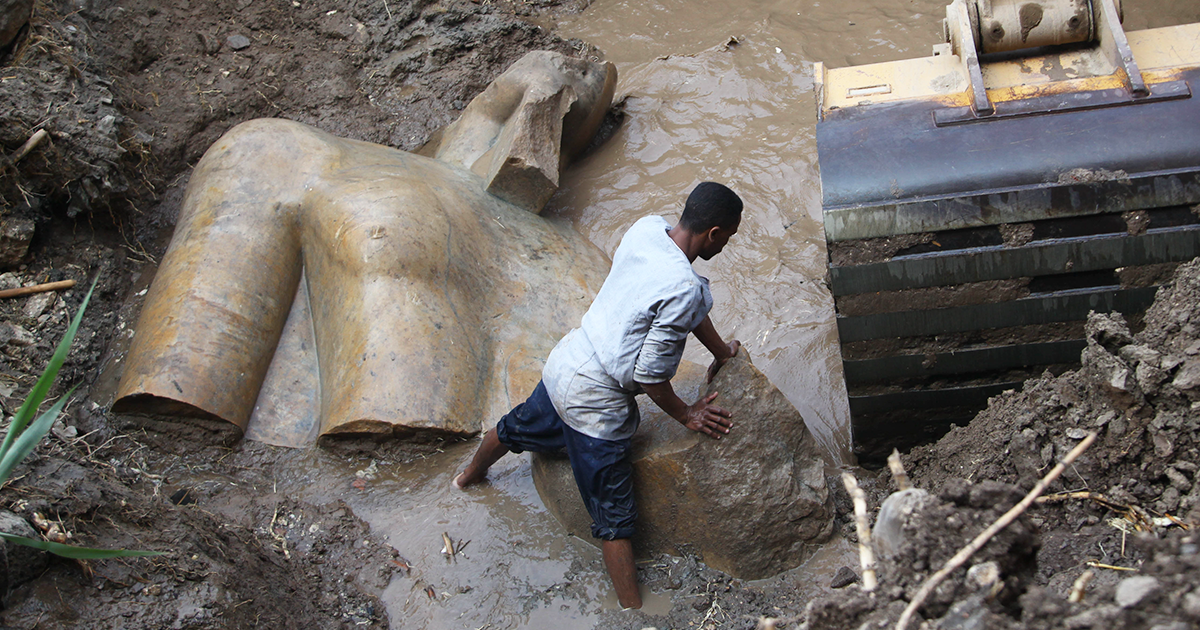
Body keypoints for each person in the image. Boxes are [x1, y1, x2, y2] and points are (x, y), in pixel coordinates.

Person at [454, 181, 744, 609]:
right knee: (615, 518)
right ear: (715, 233)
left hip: (569, 360)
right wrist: (687, 415)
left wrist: (722, 352)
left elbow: (681, 304)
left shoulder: (648, 230)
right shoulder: (684, 287)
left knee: (515, 427)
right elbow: (649, 375)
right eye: (729, 237)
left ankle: (465, 479)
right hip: (596, 399)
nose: (726, 245)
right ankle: (632, 610)